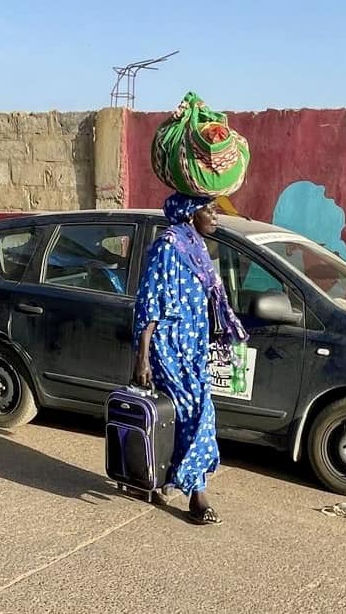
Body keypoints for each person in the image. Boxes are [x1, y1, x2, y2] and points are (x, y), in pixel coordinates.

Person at [132, 192, 248, 525]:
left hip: (193, 347)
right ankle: (198, 496)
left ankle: (165, 478)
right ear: (189, 213)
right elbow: (148, 304)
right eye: (209, 210)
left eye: (215, 210)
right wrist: (143, 357)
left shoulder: (196, 248)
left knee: (191, 415)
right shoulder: (168, 247)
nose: (216, 216)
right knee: (197, 415)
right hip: (167, 347)